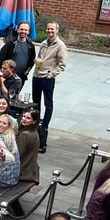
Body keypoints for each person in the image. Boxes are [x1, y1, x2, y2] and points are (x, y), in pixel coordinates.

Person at [31, 21, 67, 153]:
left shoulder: (60, 46)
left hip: (47, 78)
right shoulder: (44, 43)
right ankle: (35, 124)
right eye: (48, 29)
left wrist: (51, 75)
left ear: (57, 30)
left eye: (52, 29)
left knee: (48, 104)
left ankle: (44, 126)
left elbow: (62, 64)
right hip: (37, 76)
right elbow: (40, 57)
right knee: (35, 103)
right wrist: (37, 64)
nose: (50, 31)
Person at [0, 114, 21, 187]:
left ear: (9, 126)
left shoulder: (0, 138)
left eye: (4, 123)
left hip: (3, 179)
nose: (0, 125)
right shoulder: (10, 136)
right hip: (12, 178)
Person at [17, 109, 41, 185]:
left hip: (23, 173)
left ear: (34, 121)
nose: (24, 119)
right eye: (24, 116)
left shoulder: (24, 135)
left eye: (28, 118)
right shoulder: (34, 132)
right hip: (31, 171)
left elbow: (18, 154)